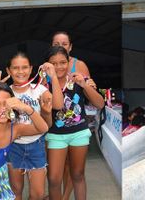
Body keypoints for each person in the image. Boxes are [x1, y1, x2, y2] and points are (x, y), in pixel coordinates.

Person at [44, 46, 104, 200]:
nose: (59, 67)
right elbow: (56, 106)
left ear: (68, 63)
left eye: (63, 62)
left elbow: (100, 104)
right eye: (54, 63)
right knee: (53, 179)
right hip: (55, 135)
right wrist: (52, 79)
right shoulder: (45, 85)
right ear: (48, 65)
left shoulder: (78, 80)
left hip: (79, 133)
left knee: (78, 175)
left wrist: (84, 85)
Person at [0, 52, 61, 200]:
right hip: (13, 146)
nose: (20, 71)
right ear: (8, 70)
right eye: (15, 68)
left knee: (38, 194)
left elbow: (57, 108)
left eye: (25, 67)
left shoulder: (40, 90)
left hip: (36, 145)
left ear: (31, 68)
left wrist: (53, 77)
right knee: (16, 191)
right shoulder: (5, 92)